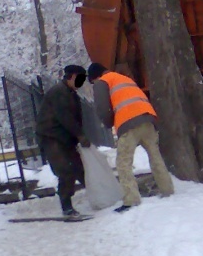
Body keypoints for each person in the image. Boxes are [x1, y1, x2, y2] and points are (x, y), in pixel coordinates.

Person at [87, 63, 174, 212]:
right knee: (155, 157)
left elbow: (103, 107)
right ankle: (167, 190)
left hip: (128, 122)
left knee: (123, 163)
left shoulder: (103, 82)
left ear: (95, 77)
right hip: (148, 119)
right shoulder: (123, 78)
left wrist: (108, 123)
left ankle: (131, 200)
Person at [36, 65, 90, 217]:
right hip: (51, 137)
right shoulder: (59, 92)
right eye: (79, 79)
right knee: (66, 170)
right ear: (71, 77)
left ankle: (99, 196)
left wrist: (78, 135)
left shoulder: (70, 93)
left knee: (80, 168)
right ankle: (67, 207)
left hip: (64, 138)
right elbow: (65, 117)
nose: (81, 83)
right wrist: (80, 135)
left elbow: (75, 118)